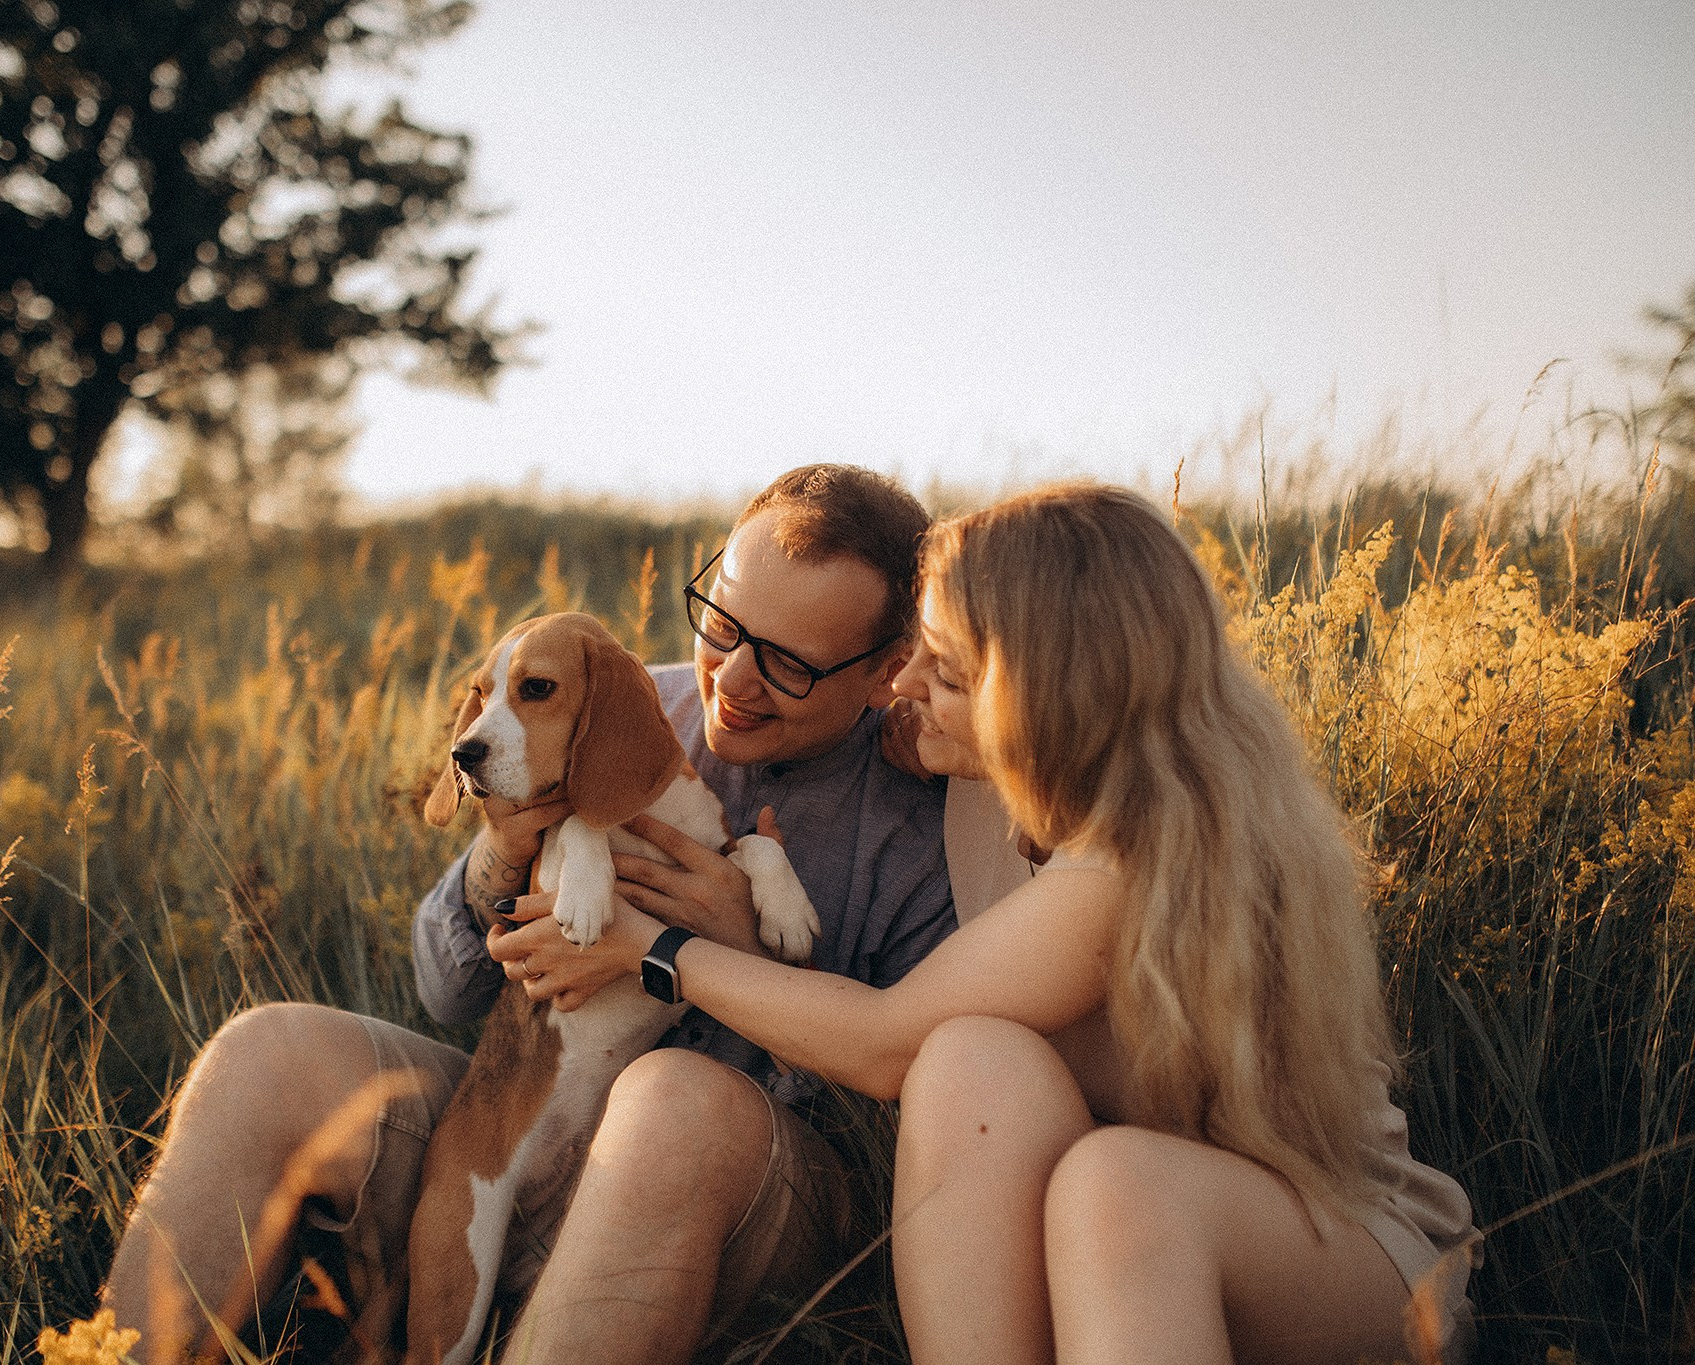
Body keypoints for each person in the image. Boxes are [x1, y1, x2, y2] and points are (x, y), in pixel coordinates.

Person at [498, 482, 1482, 1364]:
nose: (903, 684)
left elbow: (884, 1044)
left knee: (1115, 1180)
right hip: (1088, 1220)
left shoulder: (1132, 857)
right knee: (976, 1060)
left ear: (1047, 696)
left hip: (1331, 1243)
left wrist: (656, 948)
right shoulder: (985, 786)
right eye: (913, 655)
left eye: (948, 671)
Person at [100, 463, 958, 1364]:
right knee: (267, 1051)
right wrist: (504, 853)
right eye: (723, 624)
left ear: (885, 673)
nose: (731, 679)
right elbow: (445, 989)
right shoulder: (611, 698)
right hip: (528, 1131)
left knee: (672, 1105)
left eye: (786, 661)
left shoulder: (923, 825)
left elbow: (901, 1134)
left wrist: (730, 959)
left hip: (746, 1199)